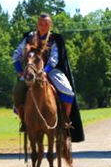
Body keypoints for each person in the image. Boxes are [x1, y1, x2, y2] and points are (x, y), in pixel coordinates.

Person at [11, 13, 85, 143]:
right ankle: (25, 121)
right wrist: (20, 71)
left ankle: (65, 121)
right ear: (37, 24)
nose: (43, 26)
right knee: (18, 94)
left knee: (68, 92)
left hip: (50, 71)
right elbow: (16, 55)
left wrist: (45, 71)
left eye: (46, 24)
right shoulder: (29, 38)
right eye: (40, 24)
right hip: (31, 71)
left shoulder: (53, 39)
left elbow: (54, 59)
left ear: (49, 25)